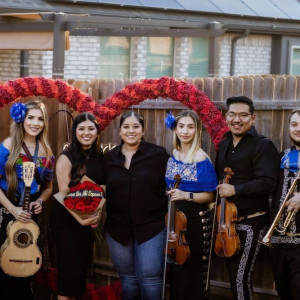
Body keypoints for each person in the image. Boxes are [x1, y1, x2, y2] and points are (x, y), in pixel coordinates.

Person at [215, 96, 279, 299]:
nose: (237, 119)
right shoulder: (224, 144)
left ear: (253, 118)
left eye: (243, 115)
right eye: (232, 114)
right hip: (226, 224)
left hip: (251, 222)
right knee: (234, 279)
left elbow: (269, 182)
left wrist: (235, 190)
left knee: (240, 279)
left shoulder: (262, 145)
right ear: (226, 116)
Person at [102, 111, 169, 300]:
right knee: (128, 280)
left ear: (143, 130)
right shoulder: (109, 158)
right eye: (126, 127)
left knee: (150, 278)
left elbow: (173, 182)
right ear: (120, 130)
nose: (131, 131)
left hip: (151, 227)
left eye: (136, 127)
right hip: (117, 228)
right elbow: (98, 188)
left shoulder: (158, 155)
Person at [0, 100, 54, 300]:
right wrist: (13, 210)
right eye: (31, 117)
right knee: (4, 269)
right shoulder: (7, 147)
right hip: (6, 212)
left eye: (40, 119)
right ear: (21, 119)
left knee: (24, 268)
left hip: (30, 217)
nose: (35, 123)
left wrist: (40, 201)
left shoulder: (46, 152)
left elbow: (49, 188)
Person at [164, 109, 218, 300]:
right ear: (175, 129)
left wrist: (186, 194)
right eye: (181, 126)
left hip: (195, 222)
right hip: (176, 222)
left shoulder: (199, 158)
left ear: (197, 131)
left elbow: (210, 196)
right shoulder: (175, 153)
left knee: (192, 275)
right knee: (178, 274)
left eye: (190, 127)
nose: (185, 131)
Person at [51, 112, 105, 300]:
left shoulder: (99, 157)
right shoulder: (66, 157)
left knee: (80, 273)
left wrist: (95, 211)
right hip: (66, 220)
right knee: (69, 274)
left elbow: (102, 186)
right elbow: (64, 192)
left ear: (97, 132)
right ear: (75, 132)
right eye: (81, 129)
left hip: (86, 219)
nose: (86, 133)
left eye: (91, 128)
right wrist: (80, 219)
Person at [269, 109, 300, 300]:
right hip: (278, 238)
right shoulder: (282, 155)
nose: (298, 129)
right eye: (294, 124)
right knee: (283, 290)